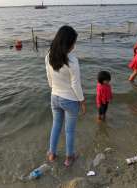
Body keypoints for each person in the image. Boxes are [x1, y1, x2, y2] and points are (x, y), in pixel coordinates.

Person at [45, 25, 86, 167]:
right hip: (70, 100)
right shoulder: (73, 61)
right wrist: (82, 101)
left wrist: (55, 89)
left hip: (54, 97)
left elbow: (49, 78)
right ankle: (69, 157)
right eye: (73, 42)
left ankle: (52, 153)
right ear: (67, 43)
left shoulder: (49, 55)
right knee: (69, 131)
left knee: (56, 125)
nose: (74, 45)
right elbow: (76, 85)